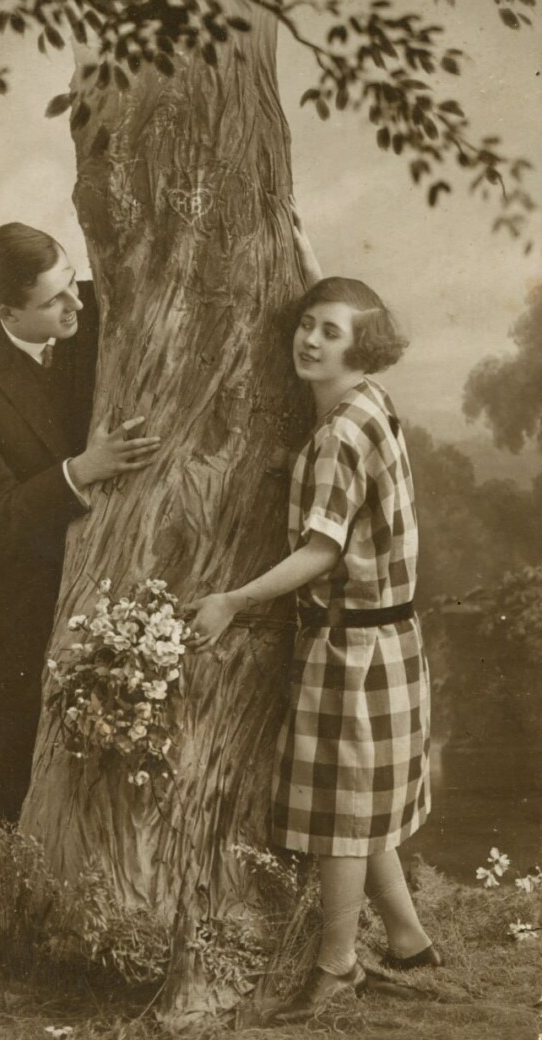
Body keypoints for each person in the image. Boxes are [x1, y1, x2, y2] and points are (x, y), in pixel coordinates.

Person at [187, 263, 441, 1020]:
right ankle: (408, 940)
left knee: (340, 817)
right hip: (388, 641)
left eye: (331, 333)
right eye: (306, 324)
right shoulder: (370, 402)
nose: (309, 340)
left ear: (361, 348)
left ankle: (337, 967)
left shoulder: (338, 435)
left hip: (353, 650)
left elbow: (322, 552)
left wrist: (232, 600)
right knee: (360, 804)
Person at [0, 223, 160, 825]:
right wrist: (84, 469)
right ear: (7, 310)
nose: (76, 302)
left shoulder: (96, 301)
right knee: (24, 772)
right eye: (54, 299)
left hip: (107, 573)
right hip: (13, 593)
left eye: (72, 281)